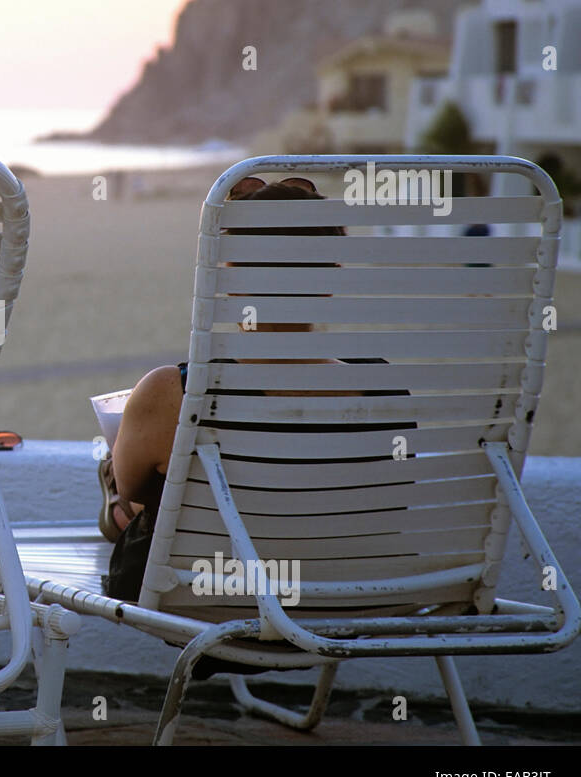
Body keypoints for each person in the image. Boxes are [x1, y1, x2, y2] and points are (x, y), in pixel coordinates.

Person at [98, 176, 413, 604]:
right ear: (328, 280)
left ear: (229, 281)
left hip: (207, 601)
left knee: (146, 493)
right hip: (344, 599)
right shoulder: (384, 393)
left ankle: (114, 507)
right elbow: (392, 496)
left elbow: (134, 484)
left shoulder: (173, 392)